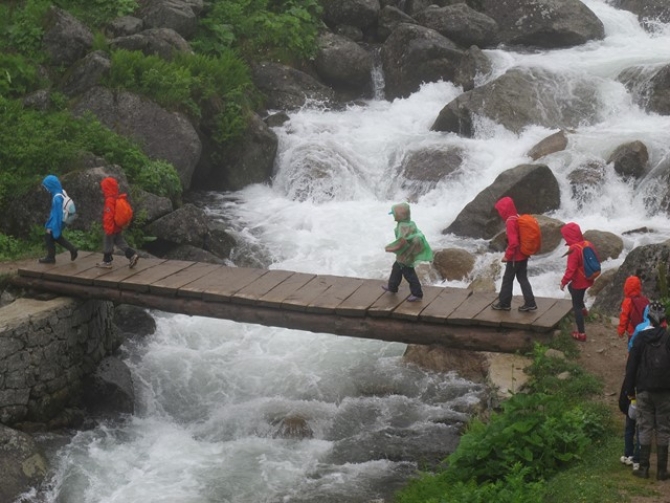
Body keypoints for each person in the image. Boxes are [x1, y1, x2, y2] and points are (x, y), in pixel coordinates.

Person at [623, 301, 670, 480]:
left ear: (648, 317)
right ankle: (662, 470)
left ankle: (643, 468)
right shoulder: (668, 337)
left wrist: (629, 390)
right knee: (664, 428)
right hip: (665, 390)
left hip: (643, 389)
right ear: (664, 318)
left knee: (644, 427)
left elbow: (631, 365)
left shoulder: (640, 338)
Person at [490, 196, 537, 312]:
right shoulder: (517, 217)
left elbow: (514, 242)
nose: (500, 213)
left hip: (515, 257)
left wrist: (507, 256)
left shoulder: (510, 221)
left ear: (504, 209)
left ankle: (504, 303)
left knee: (507, 279)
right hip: (524, 255)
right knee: (522, 279)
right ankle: (530, 303)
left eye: (500, 210)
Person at [382, 202, 433, 302]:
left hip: (406, 255)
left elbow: (402, 242)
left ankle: (417, 294)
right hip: (409, 252)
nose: (393, 216)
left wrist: (391, 249)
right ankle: (392, 287)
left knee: (409, 274)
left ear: (399, 216)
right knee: (396, 269)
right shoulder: (411, 223)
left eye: (394, 214)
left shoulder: (402, 227)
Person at [559, 222, 595, 341]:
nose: (564, 238)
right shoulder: (587, 243)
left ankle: (581, 333)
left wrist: (563, 281)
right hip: (588, 277)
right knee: (573, 291)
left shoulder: (574, 249)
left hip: (579, 281)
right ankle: (584, 310)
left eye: (565, 236)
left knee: (576, 306)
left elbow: (571, 269)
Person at [97, 176, 139, 269]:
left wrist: (108, 228)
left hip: (111, 227)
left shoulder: (109, 200)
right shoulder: (116, 198)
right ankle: (132, 254)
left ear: (106, 188)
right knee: (120, 242)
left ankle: (107, 261)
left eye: (104, 187)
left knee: (107, 242)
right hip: (117, 226)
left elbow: (109, 216)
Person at [39, 174, 78, 264]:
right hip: (65, 218)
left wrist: (52, 227)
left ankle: (51, 257)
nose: (46, 189)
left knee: (50, 235)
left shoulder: (56, 198)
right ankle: (72, 249)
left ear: (51, 186)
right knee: (55, 237)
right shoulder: (60, 192)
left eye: (46, 187)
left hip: (60, 219)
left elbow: (57, 215)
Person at [617, 275, 649, 342]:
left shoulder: (627, 301)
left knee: (632, 347)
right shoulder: (644, 300)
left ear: (626, 287)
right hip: (644, 330)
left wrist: (621, 331)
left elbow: (624, 317)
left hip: (632, 330)